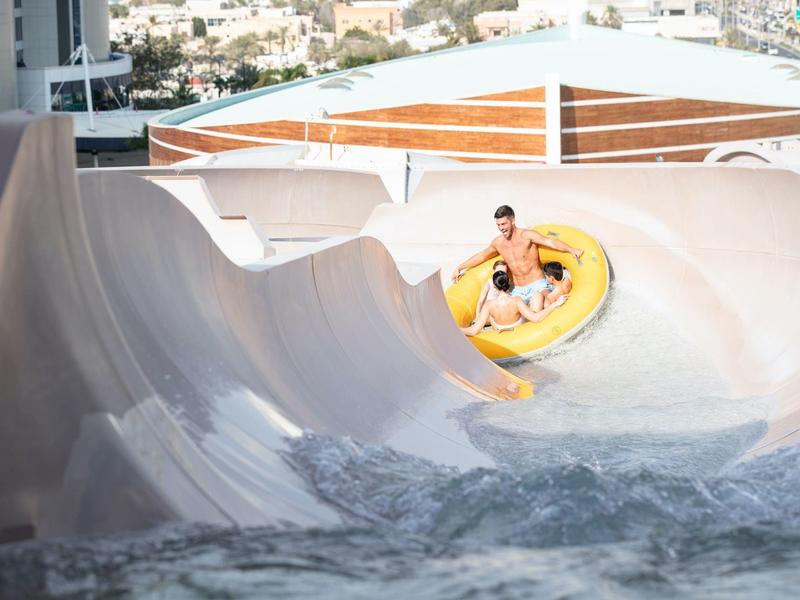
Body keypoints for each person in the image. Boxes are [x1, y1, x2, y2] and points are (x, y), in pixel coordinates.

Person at [451, 205, 583, 310]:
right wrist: (460, 267)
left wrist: (571, 249)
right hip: (516, 290)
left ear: (513, 220)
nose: (501, 228)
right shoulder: (498, 243)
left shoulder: (527, 236)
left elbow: (550, 242)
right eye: (498, 225)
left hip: (538, 285)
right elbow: (482, 256)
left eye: (504, 224)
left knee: (546, 306)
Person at [461, 270, 568, 337]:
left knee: (490, 315)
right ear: (510, 283)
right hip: (518, 325)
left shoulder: (489, 304)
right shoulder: (516, 300)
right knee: (537, 295)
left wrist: (455, 330)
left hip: (499, 327)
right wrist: (555, 304)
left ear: (494, 286)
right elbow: (535, 318)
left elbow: (473, 331)